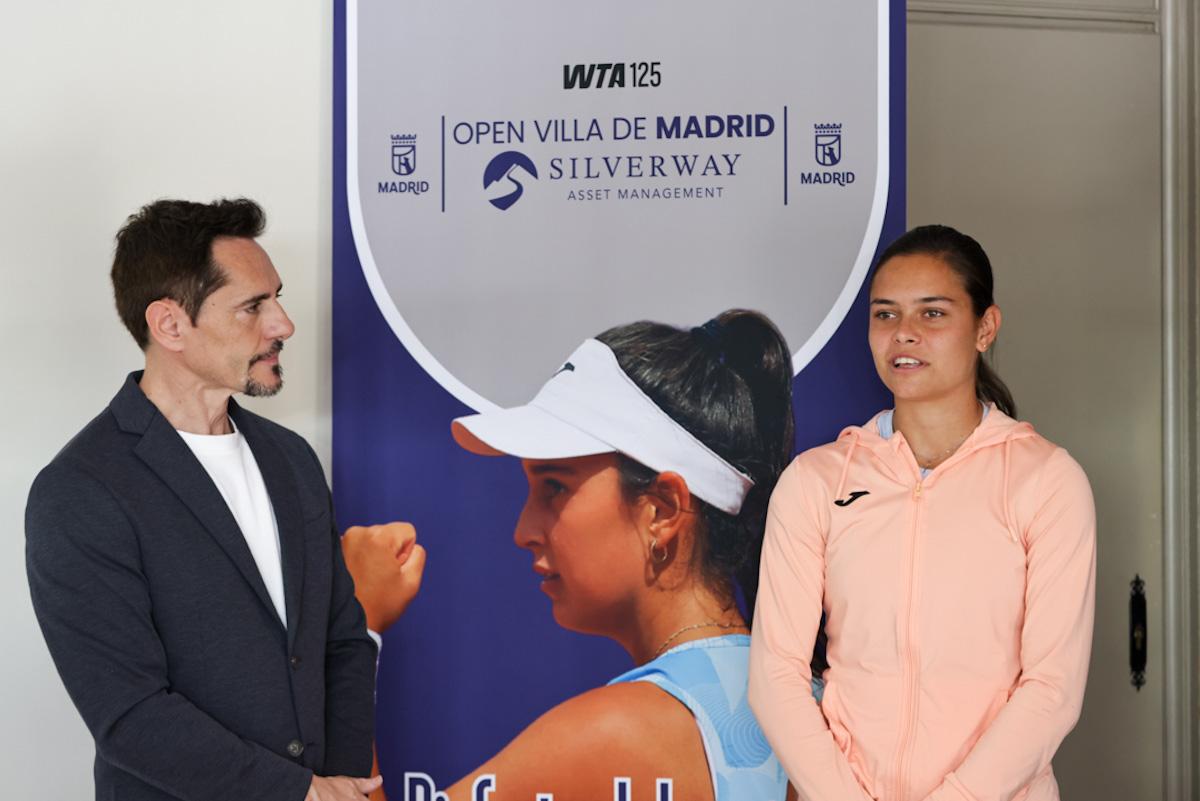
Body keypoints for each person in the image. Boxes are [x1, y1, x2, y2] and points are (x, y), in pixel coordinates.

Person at [25, 198, 399, 801]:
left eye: (276, 297)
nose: (283, 324)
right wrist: (299, 792)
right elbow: (131, 716)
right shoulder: (81, 489)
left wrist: (343, 786)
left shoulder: (292, 460)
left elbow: (341, 643)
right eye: (254, 306)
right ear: (170, 324)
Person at [353, 310, 800, 800]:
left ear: (663, 509)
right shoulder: (822, 703)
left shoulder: (613, 734)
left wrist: (352, 633)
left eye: (554, 487)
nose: (523, 531)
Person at [748, 225, 1096, 801]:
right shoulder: (815, 481)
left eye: (932, 314)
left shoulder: (1046, 480)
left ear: (985, 327)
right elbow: (776, 677)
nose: (903, 335)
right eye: (885, 315)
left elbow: (1051, 689)